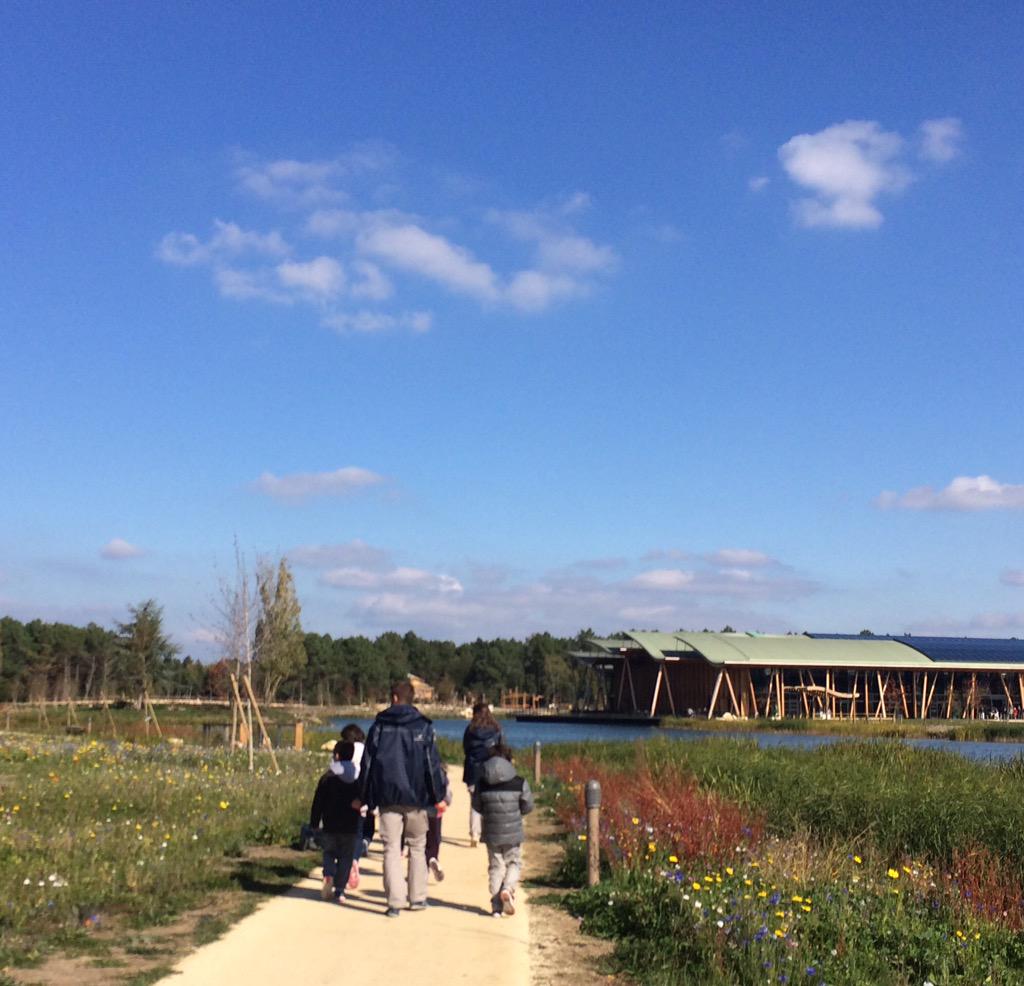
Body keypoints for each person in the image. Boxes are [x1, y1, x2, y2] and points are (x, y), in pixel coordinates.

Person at [357, 679, 447, 918]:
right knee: (417, 847)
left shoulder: (379, 726)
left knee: (391, 849)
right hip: (417, 797)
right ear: (411, 698)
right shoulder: (423, 726)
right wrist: (438, 795)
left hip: (387, 797)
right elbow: (432, 765)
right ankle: (417, 898)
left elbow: (368, 764)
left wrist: (362, 796)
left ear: (394, 697)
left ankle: (394, 902)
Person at [472, 744, 534, 918]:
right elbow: (528, 805)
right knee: (514, 862)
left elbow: (476, 805)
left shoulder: (482, 784)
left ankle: (496, 906)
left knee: (495, 866)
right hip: (513, 831)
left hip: (491, 831)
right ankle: (507, 888)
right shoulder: (519, 782)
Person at [309, 740, 361, 904]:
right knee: (346, 858)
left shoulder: (328, 776)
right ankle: (340, 890)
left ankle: (328, 875)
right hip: (350, 825)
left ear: (336, 755)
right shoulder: (357, 776)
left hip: (330, 823)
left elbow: (318, 802)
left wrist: (315, 823)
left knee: (329, 853)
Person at [462, 701, 502, 848]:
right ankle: (488, 832)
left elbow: (466, 748)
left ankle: (474, 833)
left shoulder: (470, 730)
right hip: (490, 769)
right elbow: (501, 749)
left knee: (474, 803)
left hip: (473, 769)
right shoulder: (496, 729)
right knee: (489, 802)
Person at [339, 722, 369, 888]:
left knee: (344, 832)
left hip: (343, 796)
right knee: (358, 832)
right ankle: (355, 860)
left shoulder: (344, 749)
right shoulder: (366, 749)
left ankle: (343, 862)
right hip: (361, 794)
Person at [425, 762, 453, 881]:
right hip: (437, 811)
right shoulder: (442, 775)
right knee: (435, 838)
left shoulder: (420, 770)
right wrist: (446, 802)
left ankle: (423, 869)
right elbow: (448, 794)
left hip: (421, 809)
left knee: (420, 841)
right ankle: (433, 858)